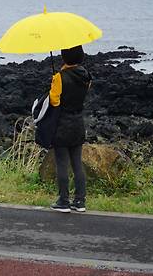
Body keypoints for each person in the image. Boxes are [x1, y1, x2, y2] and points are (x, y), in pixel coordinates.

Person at [48, 45, 92, 213]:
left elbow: (55, 101)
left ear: (64, 57)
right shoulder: (86, 76)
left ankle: (63, 201)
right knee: (77, 164)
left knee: (62, 164)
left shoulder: (60, 77)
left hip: (62, 125)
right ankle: (80, 201)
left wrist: (54, 82)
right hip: (78, 123)